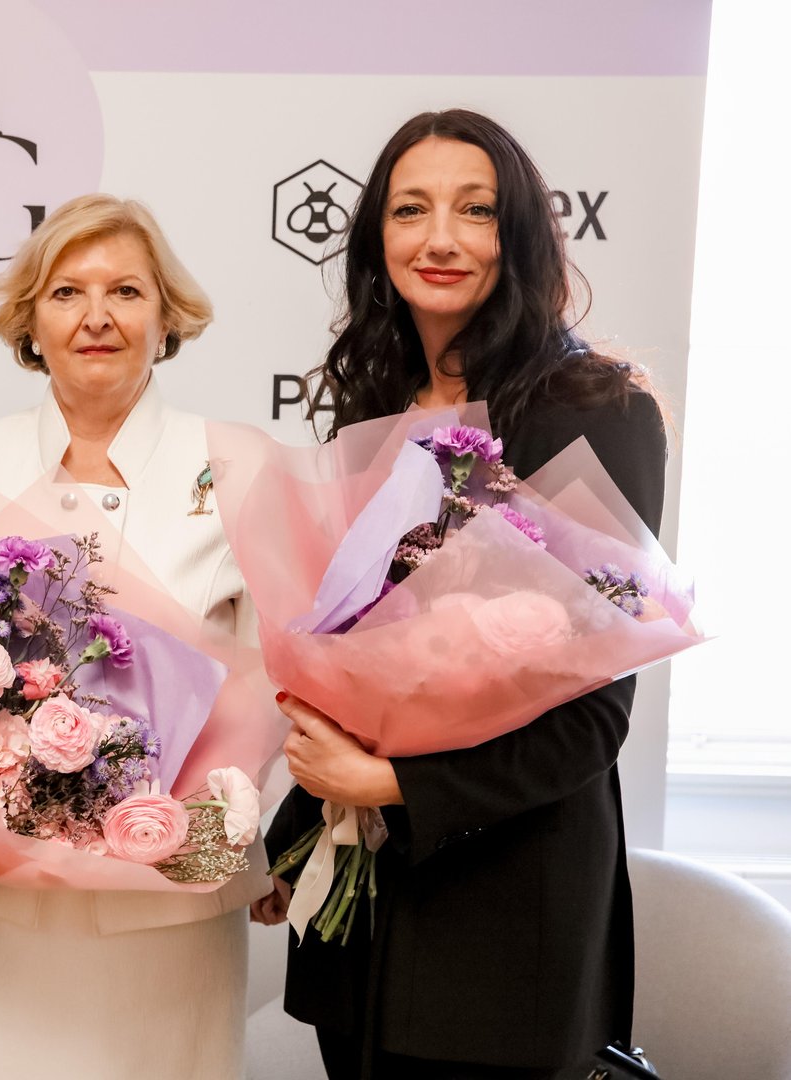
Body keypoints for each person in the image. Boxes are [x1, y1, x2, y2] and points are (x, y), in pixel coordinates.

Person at [250, 109, 667, 1080]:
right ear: (376, 238)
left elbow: (595, 715)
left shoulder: (597, 411)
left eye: (474, 210)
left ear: (516, 234)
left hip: (506, 925)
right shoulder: (372, 404)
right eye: (411, 210)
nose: (439, 238)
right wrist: (296, 836)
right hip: (364, 917)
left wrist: (397, 787)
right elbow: (351, 657)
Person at [0, 194, 272, 1078]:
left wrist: (231, 825)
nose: (96, 316)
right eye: (67, 292)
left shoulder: (239, 465)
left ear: (167, 318)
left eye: (126, 291)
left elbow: (282, 687)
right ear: (30, 322)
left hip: (169, 915)